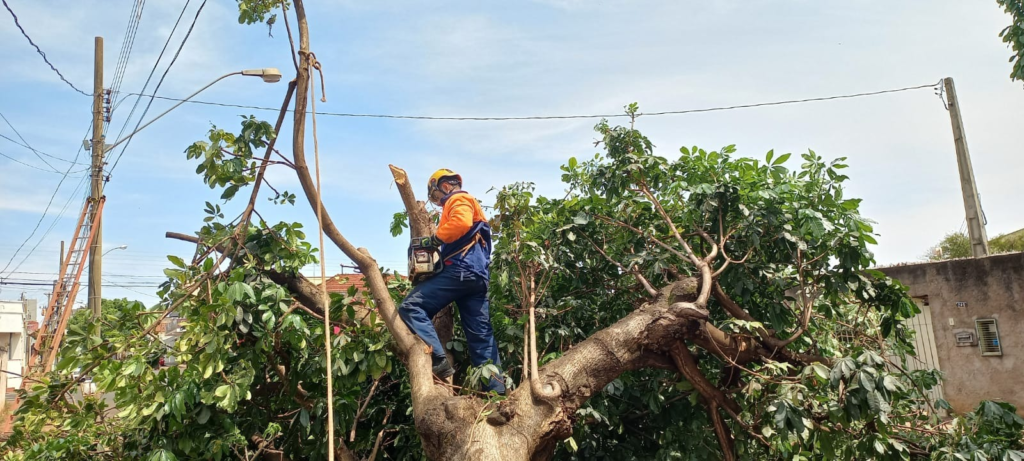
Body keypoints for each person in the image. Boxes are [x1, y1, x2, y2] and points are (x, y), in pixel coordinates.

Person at [397, 168, 506, 394]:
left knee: (411, 306)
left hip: (461, 271)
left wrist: (435, 239)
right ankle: (496, 394)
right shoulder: (468, 204)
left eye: (436, 197)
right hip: (476, 277)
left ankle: (438, 359)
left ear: (444, 186)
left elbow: (460, 223)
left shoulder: (459, 199)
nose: (438, 203)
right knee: (482, 338)